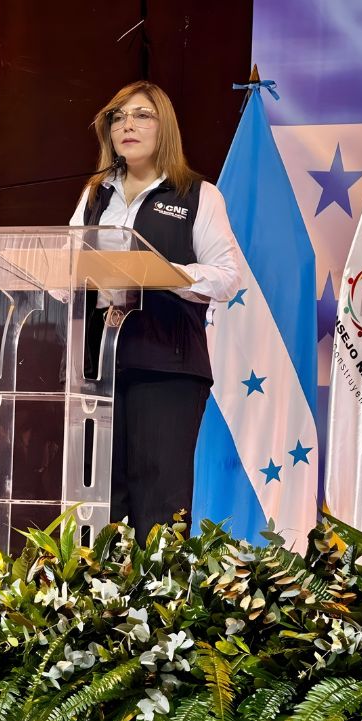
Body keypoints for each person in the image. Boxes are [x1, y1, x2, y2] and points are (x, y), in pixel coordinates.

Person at [69, 80, 246, 545]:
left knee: (160, 508)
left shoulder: (197, 195)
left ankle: (159, 593)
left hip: (167, 366)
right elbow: (68, 264)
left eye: (142, 115)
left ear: (164, 126)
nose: (127, 125)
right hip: (98, 369)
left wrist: (164, 273)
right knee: (100, 506)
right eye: (118, 117)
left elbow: (228, 277)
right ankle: (99, 590)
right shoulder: (95, 195)